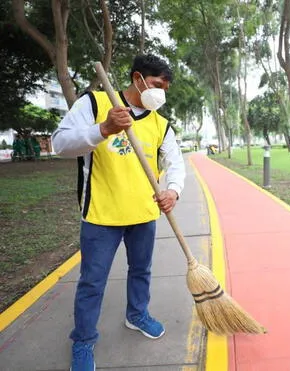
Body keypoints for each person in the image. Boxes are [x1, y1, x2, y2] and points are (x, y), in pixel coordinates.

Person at [52, 54, 185, 371]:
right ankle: (83, 341)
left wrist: (173, 190)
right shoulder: (95, 103)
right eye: (156, 85)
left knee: (142, 271)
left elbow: (175, 162)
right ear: (138, 78)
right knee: (92, 283)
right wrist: (103, 129)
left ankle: (137, 314)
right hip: (101, 215)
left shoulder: (159, 122)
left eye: (164, 88)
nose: (160, 93)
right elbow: (60, 143)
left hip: (143, 214)